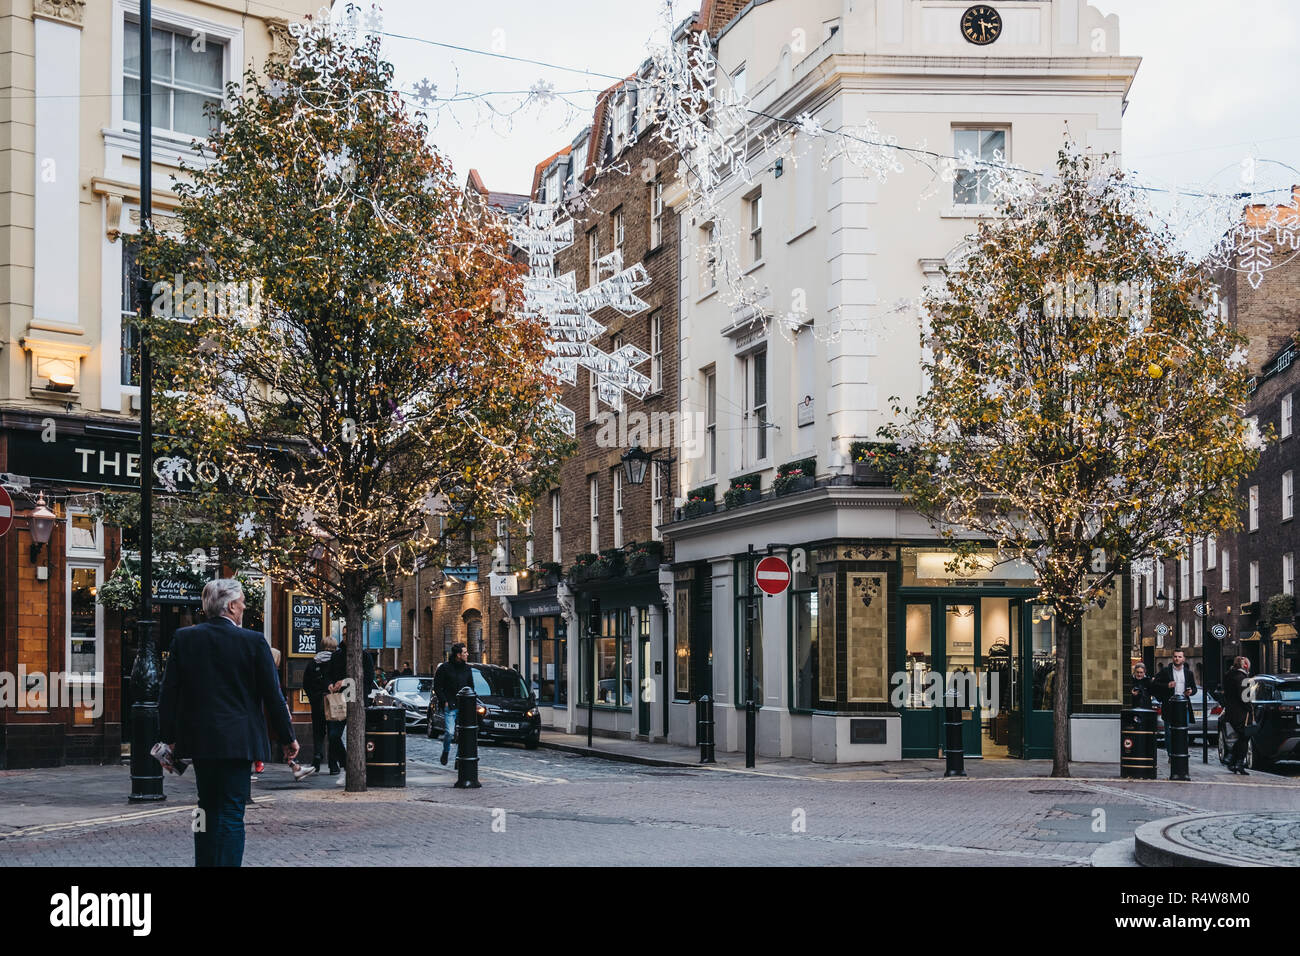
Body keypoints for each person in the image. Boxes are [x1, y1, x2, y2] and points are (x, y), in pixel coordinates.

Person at [159, 578, 299, 867]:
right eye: (243, 602)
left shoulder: (185, 639)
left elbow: (168, 694)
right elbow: (273, 696)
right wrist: (287, 738)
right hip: (239, 741)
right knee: (233, 812)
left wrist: (167, 739)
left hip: (201, 741)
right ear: (232, 606)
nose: (245, 606)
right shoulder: (253, 641)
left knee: (206, 809)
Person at [326, 638, 375, 775]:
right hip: (339, 701)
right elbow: (328, 675)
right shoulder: (336, 656)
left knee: (359, 736)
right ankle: (344, 761)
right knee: (333, 735)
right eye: (344, 634)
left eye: (348, 634)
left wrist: (346, 682)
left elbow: (368, 680)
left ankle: (360, 765)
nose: (347, 637)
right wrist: (330, 684)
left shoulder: (365, 656)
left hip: (357, 701)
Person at [433, 643, 474, 767]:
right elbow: (437, 687)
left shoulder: (467, 669)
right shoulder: (444, 668)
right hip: (450, 705)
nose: (467, 654)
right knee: (449, 733)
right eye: (465, 652)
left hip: (464, 706)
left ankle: (458, 758)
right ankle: (446, 752)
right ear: (458, 655)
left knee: (463, 733)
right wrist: (444, 701)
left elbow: (471, 687)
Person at [302, 636, 336, 773]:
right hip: (333, 702)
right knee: (334, 732)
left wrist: (313, 698)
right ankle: (333, 765)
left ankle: (316, 757)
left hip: (317, 702)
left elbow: (306, 684)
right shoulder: (336, 662)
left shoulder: (313, 663)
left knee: (318, 731)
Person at [1221, 656, 1253, 775]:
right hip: (1241, 714)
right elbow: (1245, 698)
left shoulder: (1229, 676)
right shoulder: (1243, 678)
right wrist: (1250, 709)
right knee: (1245, 736)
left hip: (1230, 712)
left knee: (1240, 737)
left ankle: (1232, 760)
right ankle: (1236, 762)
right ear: (1245, 666)